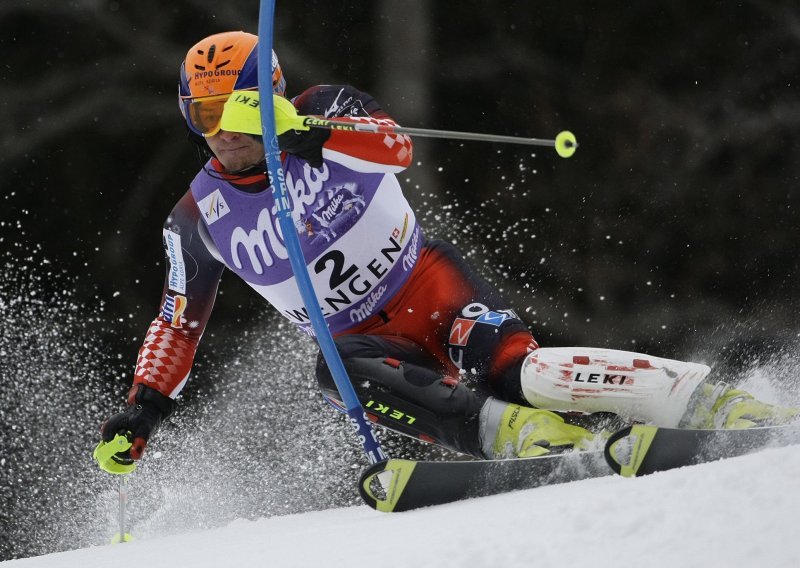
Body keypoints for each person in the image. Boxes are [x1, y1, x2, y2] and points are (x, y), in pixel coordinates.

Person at [96, 31, 798, 472]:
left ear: (269, 97)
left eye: (237, 110)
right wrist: (144, 410)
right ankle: (532, 442)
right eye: (204, 116)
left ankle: (703, 400)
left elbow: (395, 146)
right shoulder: (197, 214)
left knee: (518, 368)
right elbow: (176, 320)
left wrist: (315, 135)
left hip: (428, 286)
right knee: (334, 368)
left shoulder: (326, 107)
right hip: (362, 346)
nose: (223, 132)